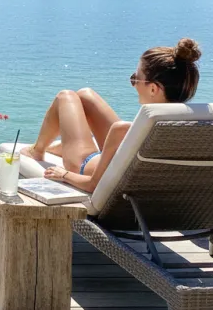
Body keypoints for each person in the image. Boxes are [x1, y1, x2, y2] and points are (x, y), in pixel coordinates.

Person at [20, 38, 202, 193]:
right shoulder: (197, 130)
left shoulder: (122, 130)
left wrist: (64, 174)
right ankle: (62, 145)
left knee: (65, 96)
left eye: (135, 79)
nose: (133, 83)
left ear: (153, 88)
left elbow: (93, 185)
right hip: (148, 188)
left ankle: (38, 150)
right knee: (85, 95)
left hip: (84, 166)